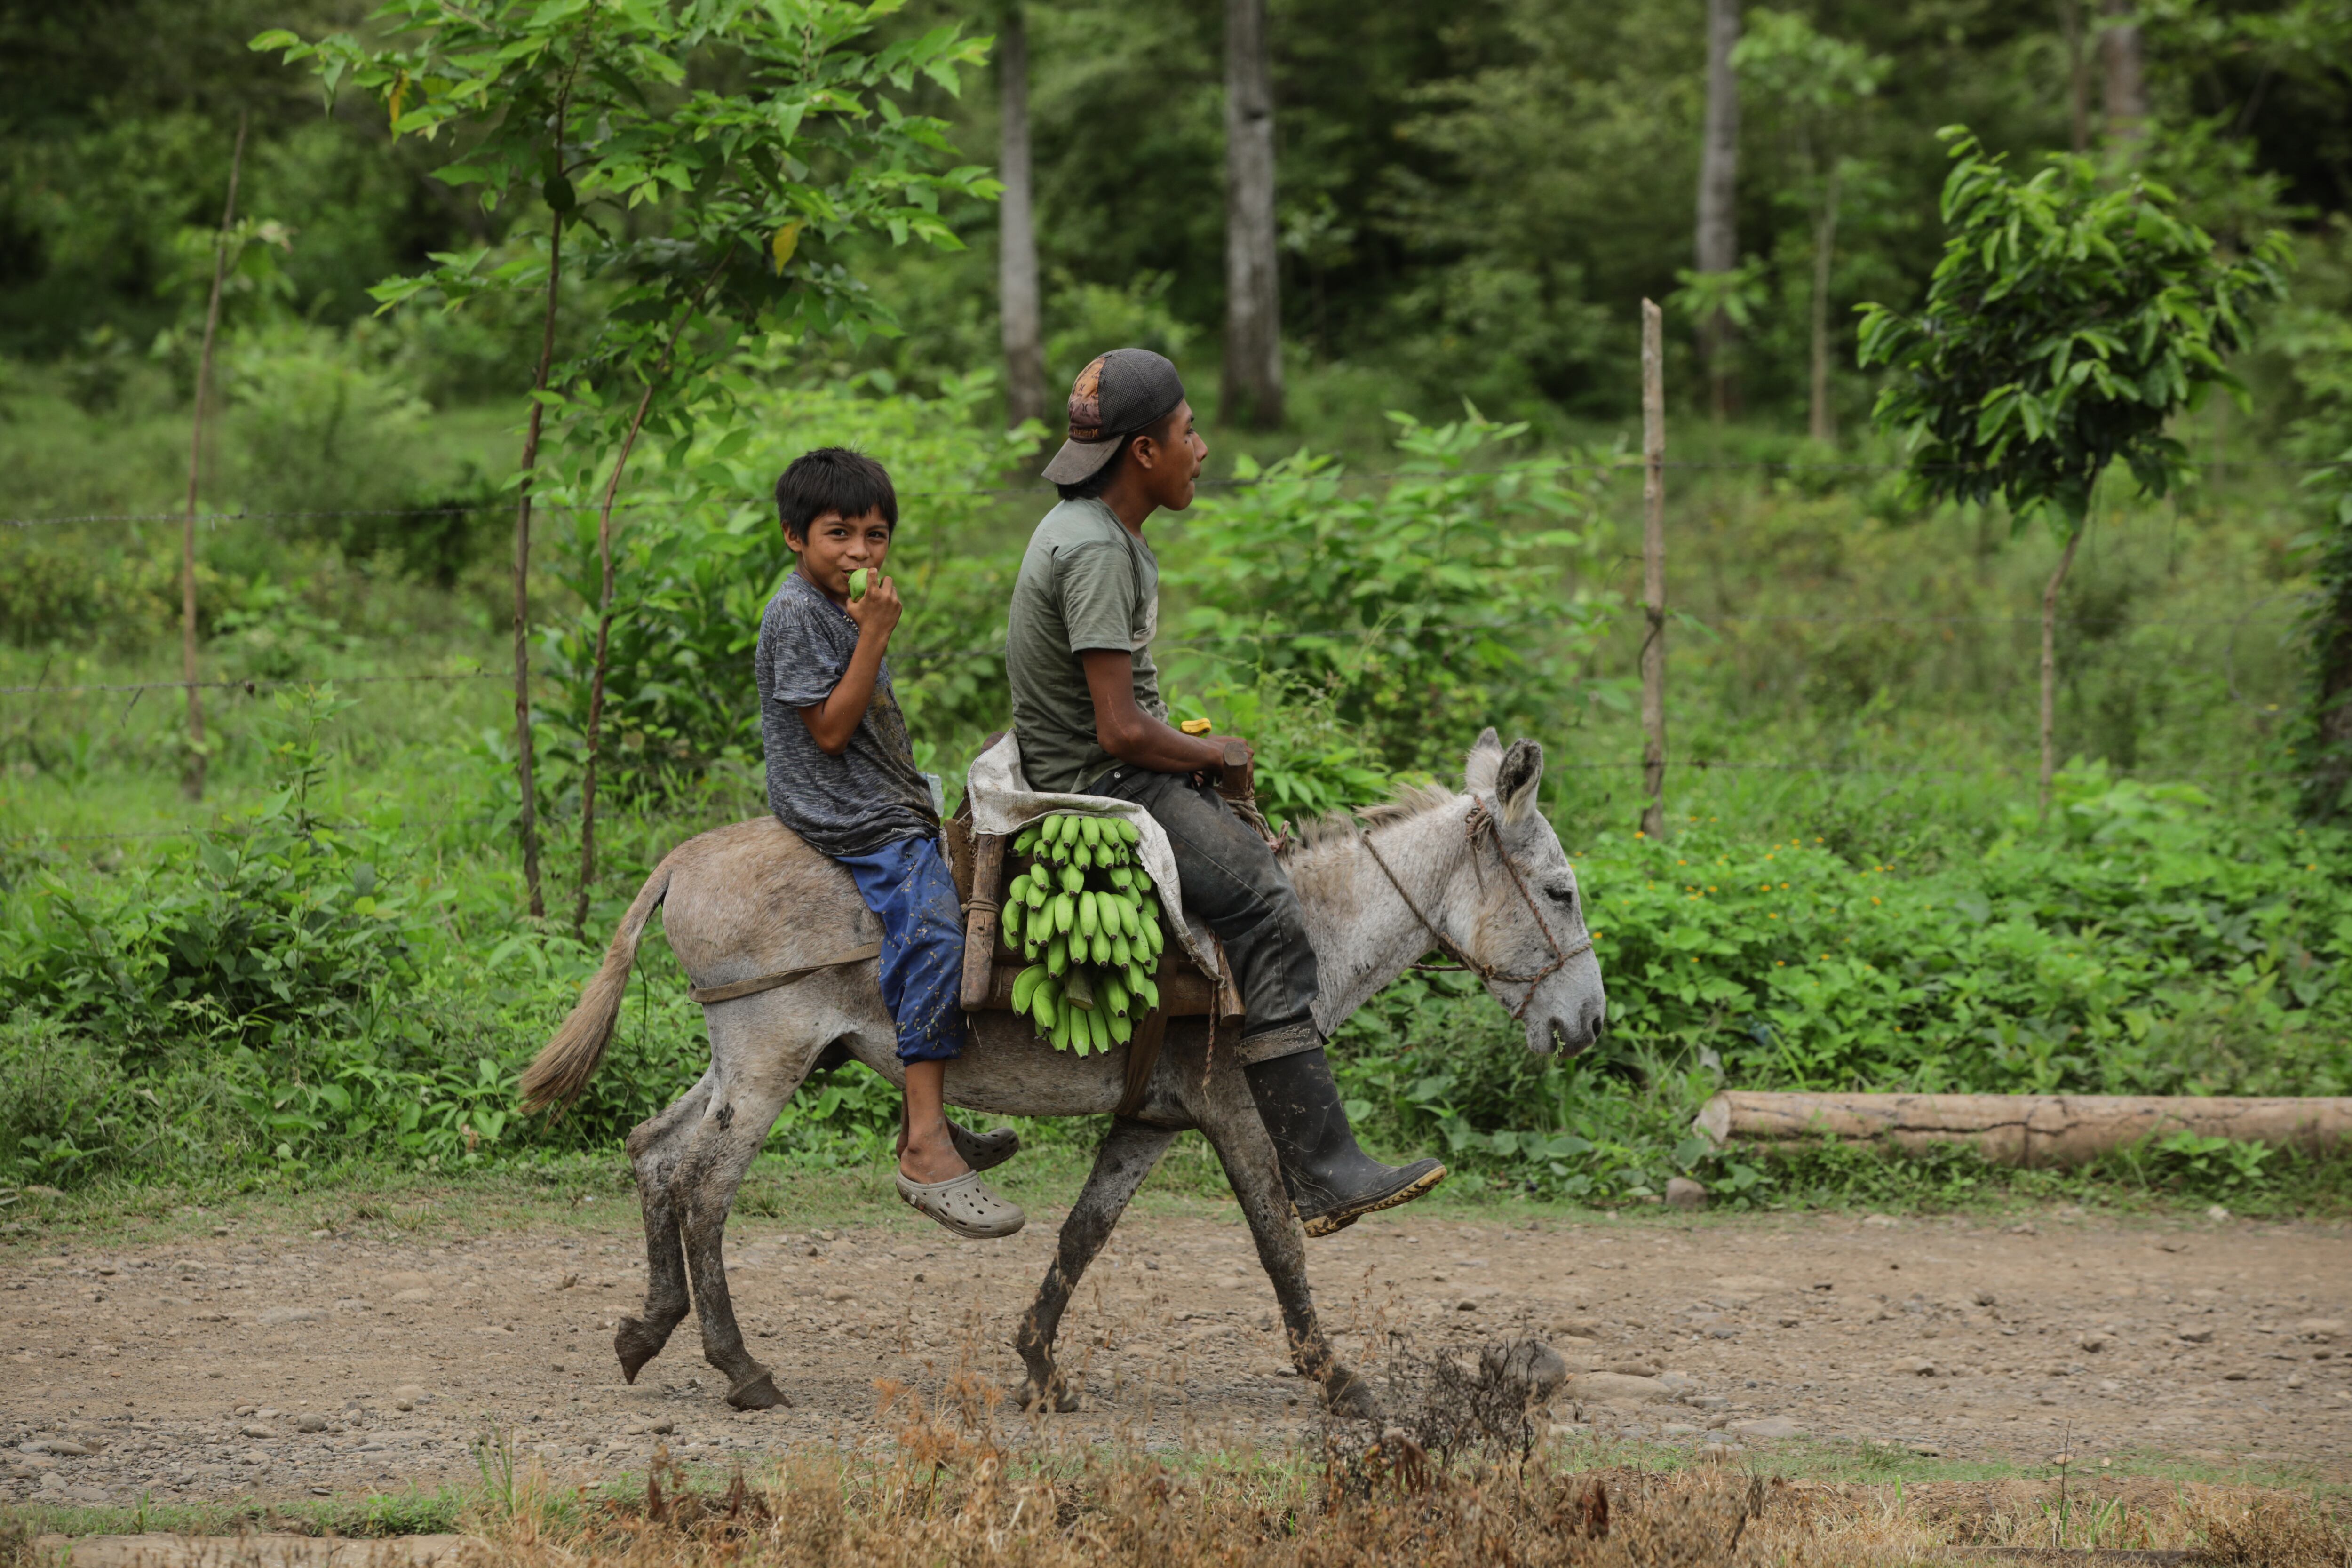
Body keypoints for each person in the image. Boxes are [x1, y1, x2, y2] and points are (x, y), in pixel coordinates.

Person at [1003, 349, 1446, 1236]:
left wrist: (1202, 759)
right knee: (1268, 904)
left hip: (1112, 762)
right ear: (1141, 453)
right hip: (1103, 782)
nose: (1201, 449)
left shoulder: (1098, 532)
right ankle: (1319, 1165)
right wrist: (1214, 759)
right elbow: (1121, 731)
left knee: (1250, 857)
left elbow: (1135, 704)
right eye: (1187, 431)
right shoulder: (1093, 550)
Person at [756, 447, 1025, 1240]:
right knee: (935, 928)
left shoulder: (841, 603)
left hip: (887, 793)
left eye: (875, 536)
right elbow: (832, 731)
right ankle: (926, 1145)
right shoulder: (798, 614)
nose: (860, 554)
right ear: (793, 538)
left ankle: (926, 1106)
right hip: (846, 809)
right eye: (838, 534)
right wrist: (874, 633)